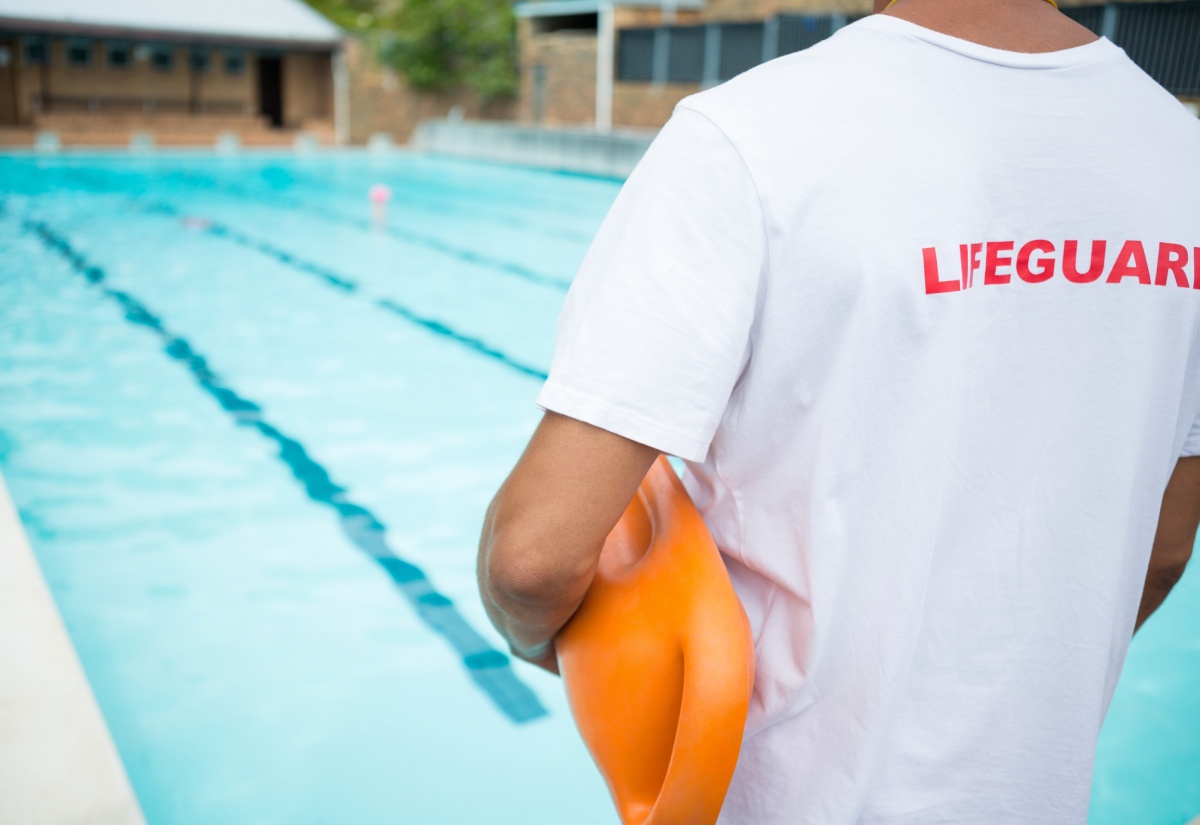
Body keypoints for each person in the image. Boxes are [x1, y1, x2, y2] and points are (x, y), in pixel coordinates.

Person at [477, 0, 1200, 819]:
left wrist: (556, 645)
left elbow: (533, 559)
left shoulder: (750, 135)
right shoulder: (1180, 152)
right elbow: (1166, 546)